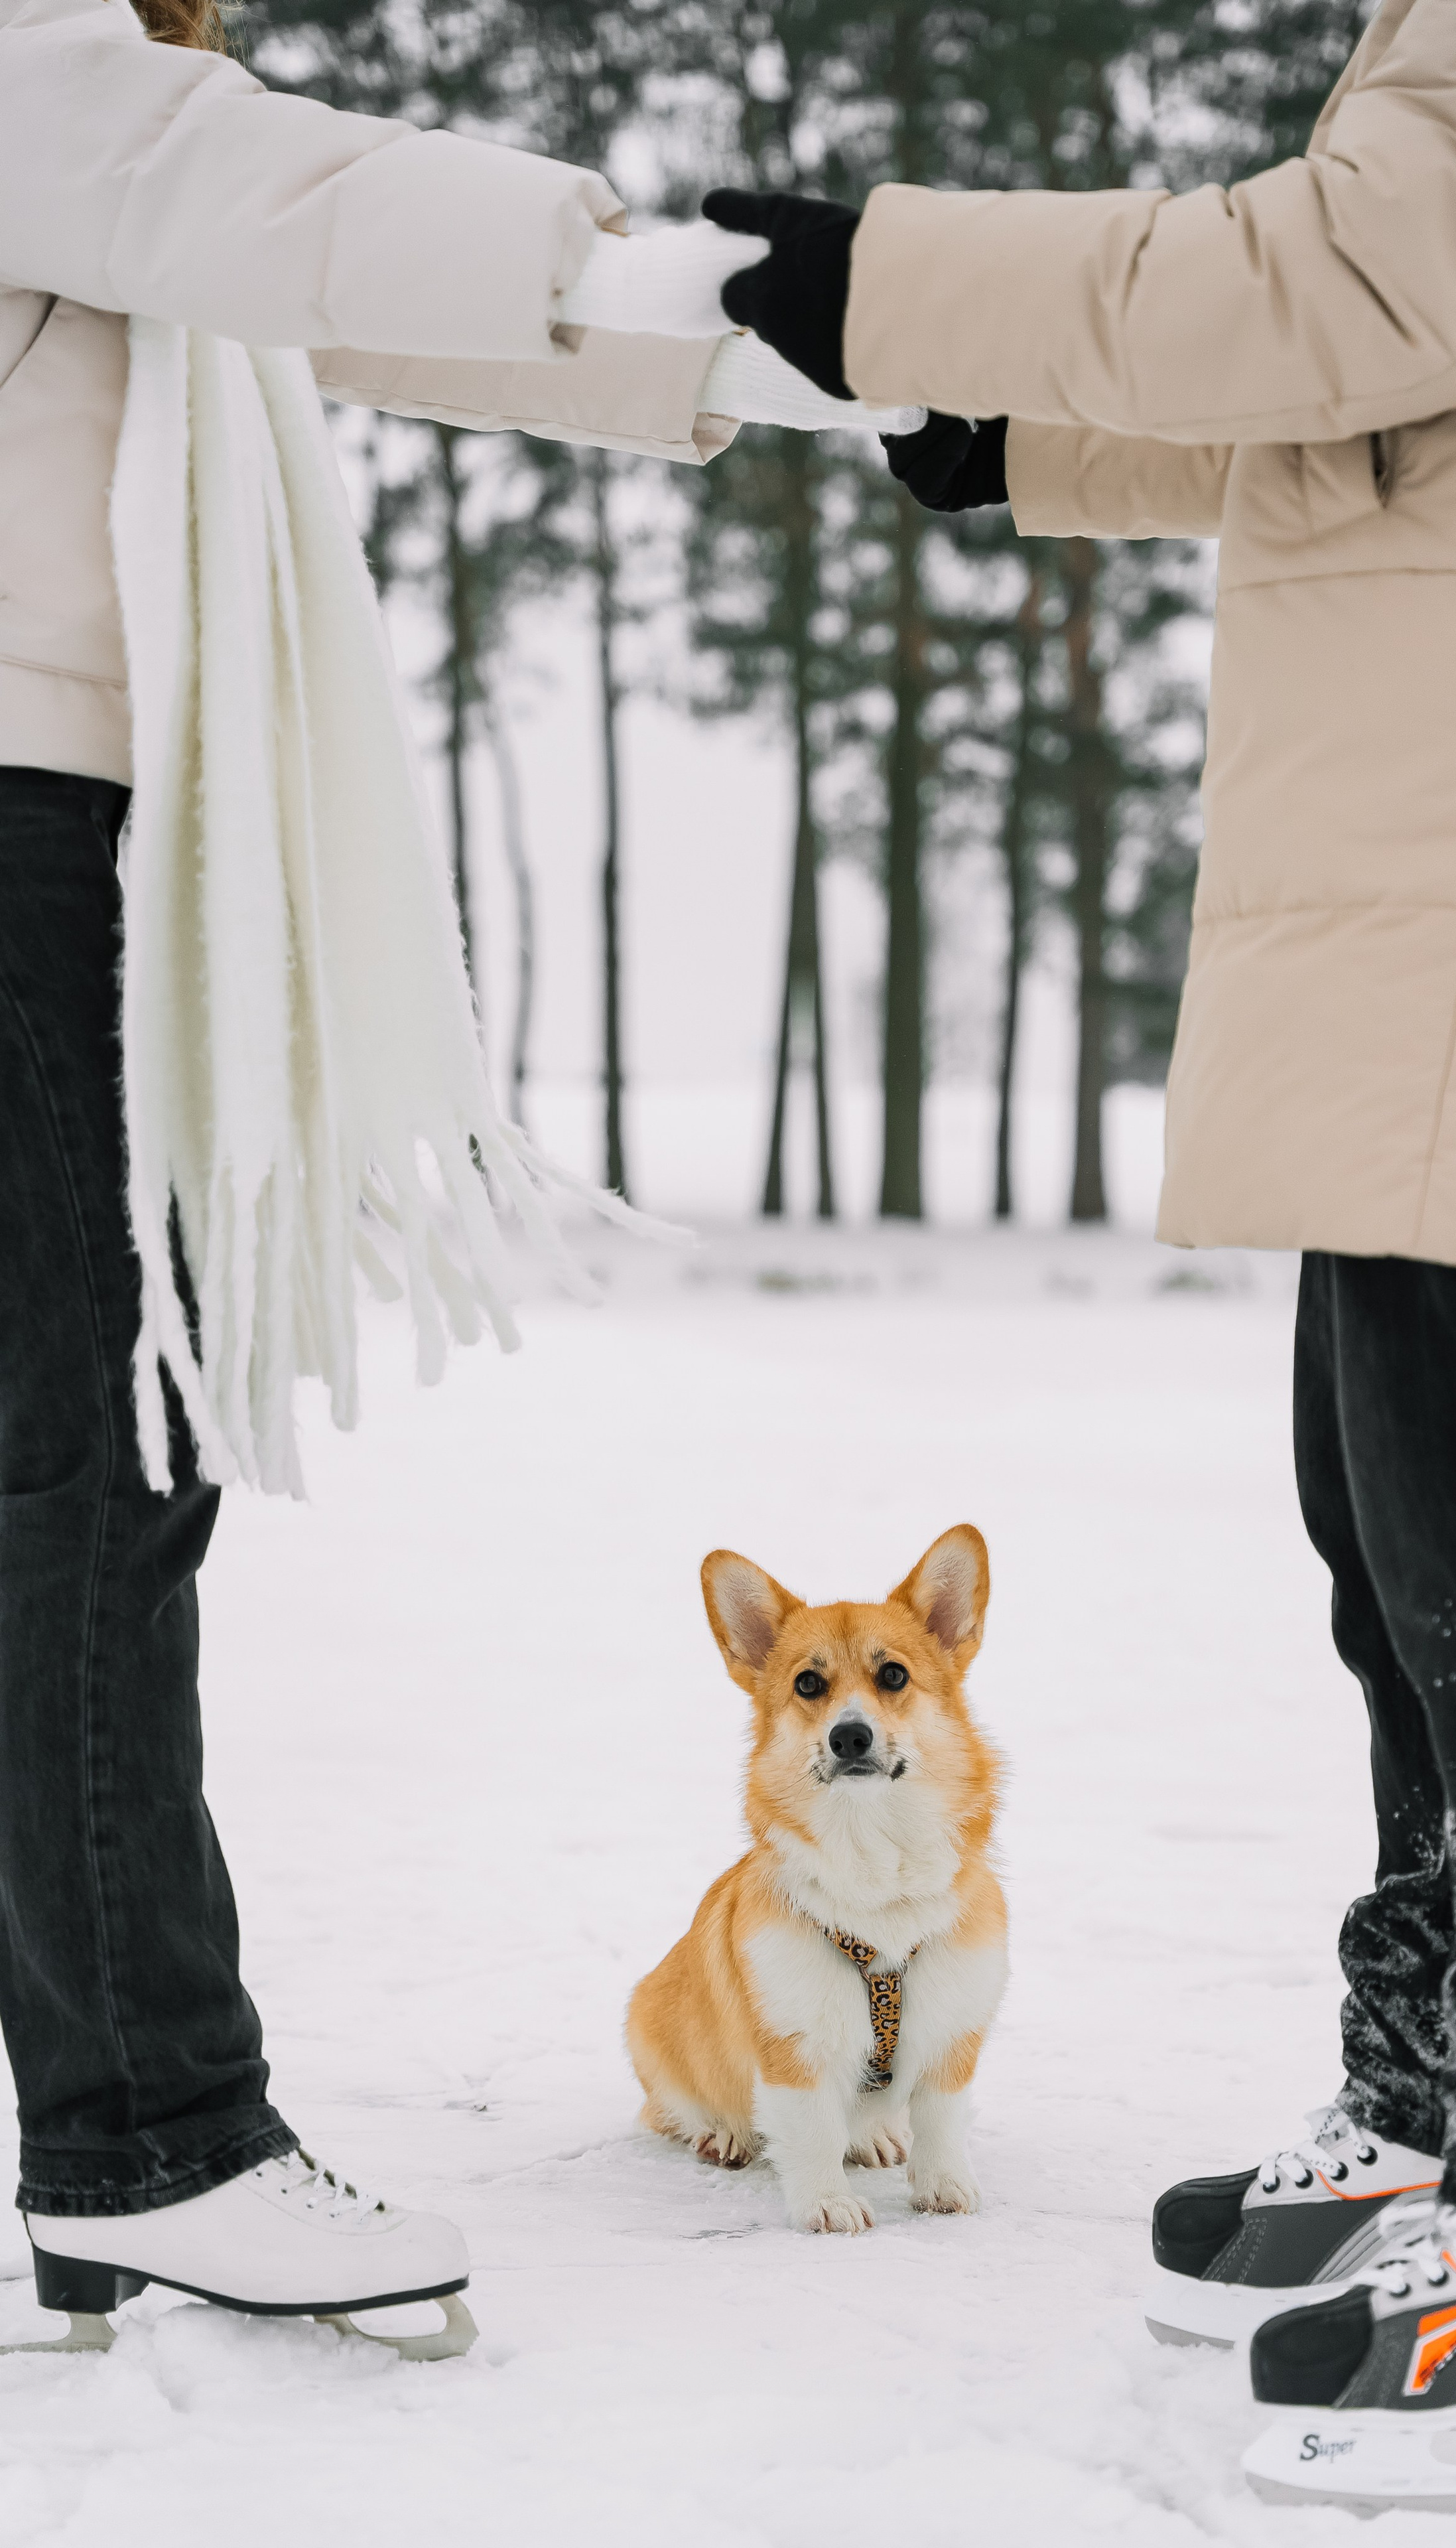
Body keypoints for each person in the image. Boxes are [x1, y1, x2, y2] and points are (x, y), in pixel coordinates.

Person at [699, 0, 1456, 2489]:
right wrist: (1022, 436)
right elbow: (1400, 394)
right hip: (1432, 824)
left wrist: (910, 275)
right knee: (1394, 1520)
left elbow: (1353, 286)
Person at [0, 0, 876, 2357]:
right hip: (19, 817)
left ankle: (119, 2151)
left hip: (73, 812)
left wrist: (829, 372)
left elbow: (347, 291)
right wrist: (801, 303)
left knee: (83, 1479)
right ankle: (149, 2144)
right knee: (88, 1482)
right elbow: (290, 198)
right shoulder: (43, 70)